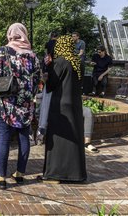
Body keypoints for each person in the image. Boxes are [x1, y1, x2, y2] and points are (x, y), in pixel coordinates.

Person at [0, 23, 40, 189]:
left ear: (10, 34)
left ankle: (1, 176)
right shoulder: (32, 55)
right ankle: (20, 173)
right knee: (24, 137)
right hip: (25, 104)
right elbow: (38, 79)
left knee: (3, 138)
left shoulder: (2, 51)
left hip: (4, 104)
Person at [42, 35, 87, 183]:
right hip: (74, 104)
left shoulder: (60, 62)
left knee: (59, 140)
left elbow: (50, 86)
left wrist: (48, 68)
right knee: (73, 140)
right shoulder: (77, 63)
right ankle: (75, 173)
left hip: (60, 104)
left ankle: (56, 173)